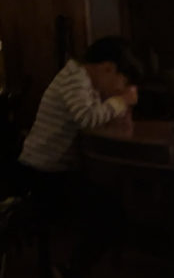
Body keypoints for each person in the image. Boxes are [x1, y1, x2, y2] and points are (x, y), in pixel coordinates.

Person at [20, 36, 141, 177]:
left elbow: (102, 120)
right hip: (43, 169)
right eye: (124, 82)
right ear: (108, 68)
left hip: (59, 167)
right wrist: (122, 100)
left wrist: (120, 107)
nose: (120, 89)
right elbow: (87, 118)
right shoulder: (75, 78)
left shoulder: (89, 84)